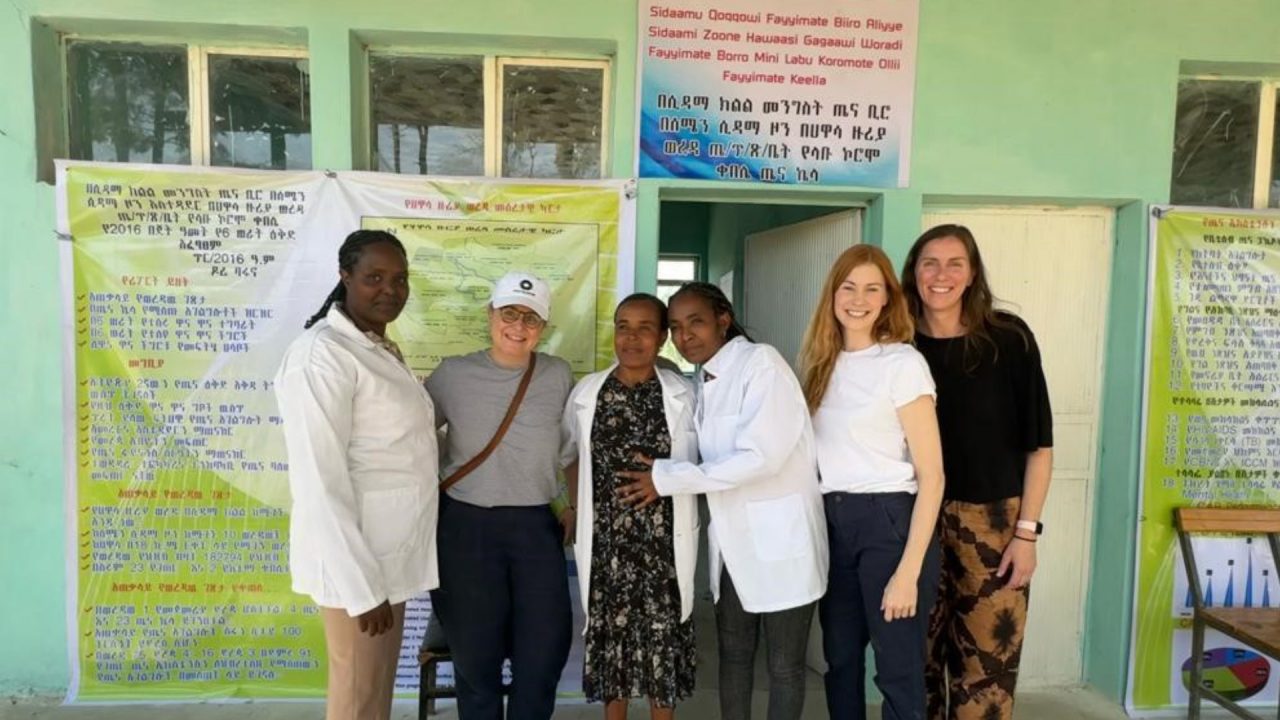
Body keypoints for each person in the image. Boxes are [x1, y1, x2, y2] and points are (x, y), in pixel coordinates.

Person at [617, 281, 828, 720]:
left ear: (723, 320)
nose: (684, 335)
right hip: (732, 549)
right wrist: (662, 464)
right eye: (675, 327)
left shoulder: (761, 364)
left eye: (696, 322)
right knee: (734, 658)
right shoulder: (704, 380)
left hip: (781, 546)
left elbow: (760, 458)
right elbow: (704, 453)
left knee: (785, 666)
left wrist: (667, 478)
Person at [274, 229, 438, 720]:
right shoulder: (321, 356)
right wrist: (361, 588)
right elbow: (319, 482)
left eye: (400, 278)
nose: (390, 289)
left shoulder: (376, 348)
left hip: (388, 560)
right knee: (355, 701)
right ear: (345, 277)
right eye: (374, 277)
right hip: (358, 568)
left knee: (377, 696)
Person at [901, 225, 1053, 720]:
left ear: (972, 274)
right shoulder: (896, 344)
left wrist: (1026, 534)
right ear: (913, 272)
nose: (941, 275)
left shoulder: (1008, 339)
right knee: (914, 659)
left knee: (987, 665)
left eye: (954, 263)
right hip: (910, 517)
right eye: (929, 263)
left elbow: (1040, 447)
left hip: (993, 522)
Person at [799, 244, 945, 720]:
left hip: (889, 524)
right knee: (839, 661)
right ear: (833, 295)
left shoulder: (902, 364)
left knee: (896, 669)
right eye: (848, 287)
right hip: (833, 523)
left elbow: (933, 476)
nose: (858, 299)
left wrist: (907, 572)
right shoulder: (820, 364)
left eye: (871, 288)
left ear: (887, 299)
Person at [425, 270, 575, 720]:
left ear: (543, 328)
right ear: (490, 315)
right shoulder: (453, 374)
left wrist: (569, 506)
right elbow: (411, 437)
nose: (518, 326)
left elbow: (570, 447)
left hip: (535, 527)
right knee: (476, 661)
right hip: (466, 527)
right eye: (509, 312)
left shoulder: (557, 374)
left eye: (531, 318)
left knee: (543, 654)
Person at [563, 293, 699, 720]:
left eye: (645, 328)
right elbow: (570, 453)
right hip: (607, 544)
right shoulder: (589, 393)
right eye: (624, 326)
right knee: (612, 646)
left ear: (661, 337)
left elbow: (706, 462)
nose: (632, 337)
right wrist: (576, 508)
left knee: (663, 643)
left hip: (663, 543)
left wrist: (664, 480)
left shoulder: (684, 395)